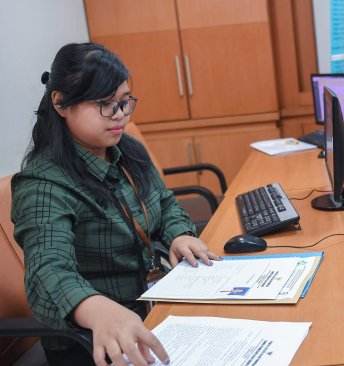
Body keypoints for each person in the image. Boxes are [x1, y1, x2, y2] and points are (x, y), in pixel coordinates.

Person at [11, 43, 219, 366]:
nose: (119, 114)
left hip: (151, 311)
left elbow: (164, 203)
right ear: (61, 103)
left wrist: (179, 234)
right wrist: (96, 308)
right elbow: (47, 274)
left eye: (123, 102)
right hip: (94, 341)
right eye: (105, 104)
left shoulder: (128, 150)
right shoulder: (43, 184)